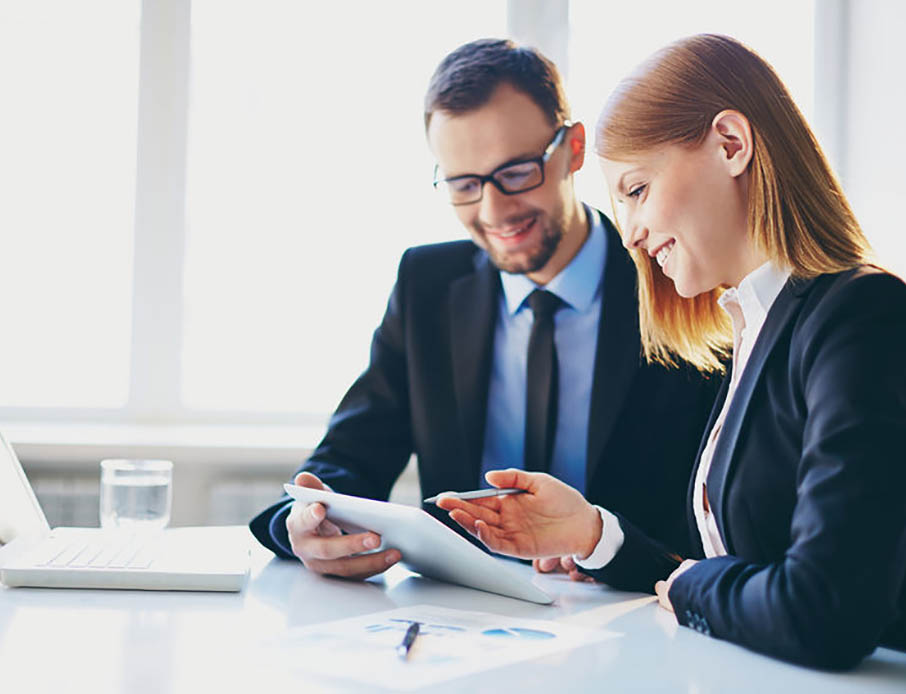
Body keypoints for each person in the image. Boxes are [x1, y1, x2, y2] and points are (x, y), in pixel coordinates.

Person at [437, 34, 906, 670]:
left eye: (636, 190)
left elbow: (821, 607)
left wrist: (688, 585)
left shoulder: (859, 314)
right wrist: (594, 535)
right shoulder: (751, 327)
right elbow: (726, 574)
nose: (629, 231)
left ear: (731, 145)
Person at [249, 39, 717, 581]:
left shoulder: (675, 278)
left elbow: (714, 519)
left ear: (574, 149)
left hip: (632, 611)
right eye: (464, 185)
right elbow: (350, 457)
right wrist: (302, 522)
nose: (494, 211)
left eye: (517, 172)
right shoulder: (427, 285)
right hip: (463, 616)